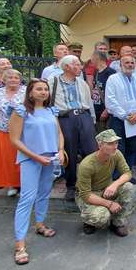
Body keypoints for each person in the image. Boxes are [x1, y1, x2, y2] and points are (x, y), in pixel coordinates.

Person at [9, 79, 64, 265]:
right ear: (30, 92)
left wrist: (61, 150)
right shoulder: (21, 111)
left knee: (44, 194)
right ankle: (20, 244)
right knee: (27, 198)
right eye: (39, 89)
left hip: (50, 158)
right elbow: (15, 140)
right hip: (31, 160)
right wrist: (36, 157)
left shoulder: (50, 110)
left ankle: (40, 224)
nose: (43, 92)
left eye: (46, 89)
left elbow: (58, 133)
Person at [47, 55, 97, 201]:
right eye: (76, 64)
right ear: (66, 67)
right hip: (65, 118)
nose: (79, 67)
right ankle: (71, 185)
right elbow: (47, 102)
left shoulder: (82, 83)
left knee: (91, 150)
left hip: (84, 116)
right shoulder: (53, 81)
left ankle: (90, 183)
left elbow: (89, 102)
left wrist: (92, 120)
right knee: (70, 151)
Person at [76, 129, 132, 236]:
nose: (115, 146)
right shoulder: (87, 165)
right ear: (100, 145)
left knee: (127, 187)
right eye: (110, 143)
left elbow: (127, 173)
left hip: (107, 189)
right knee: (101, 216)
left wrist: (114, 184)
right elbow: (85, 195)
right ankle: (89, 221)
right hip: (90, 194)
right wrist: (109, 204)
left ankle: (117, 222)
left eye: (116, 143)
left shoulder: (116, 154)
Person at [105, 55, 136, 173]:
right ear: (121, 65)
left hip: (135, 119)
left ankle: (127, 173)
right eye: (127, 63)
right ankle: (117, 176)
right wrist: (125, 116)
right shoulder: (113, 79)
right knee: (118, 148)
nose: (130, 65)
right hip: (119, 120)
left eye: (132, 63)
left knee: (132, 147)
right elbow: (110, 100)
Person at [0, 69, 26, 197]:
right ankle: (11, 184)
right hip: (3, 130)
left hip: (23, 131)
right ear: (3, 80)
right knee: (7, 159)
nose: (13, 80)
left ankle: (24, 184)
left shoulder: (26, 91)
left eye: (16, 77)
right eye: (10, 77)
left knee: (22, 158)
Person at [90, 51, 116, 133]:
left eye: (92, 58)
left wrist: (106, 110)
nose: (91, 60)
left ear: (97, 58)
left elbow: (115, 94)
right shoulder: (97, 72)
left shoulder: (111, 73)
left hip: (106, 112)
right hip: (97, 110)